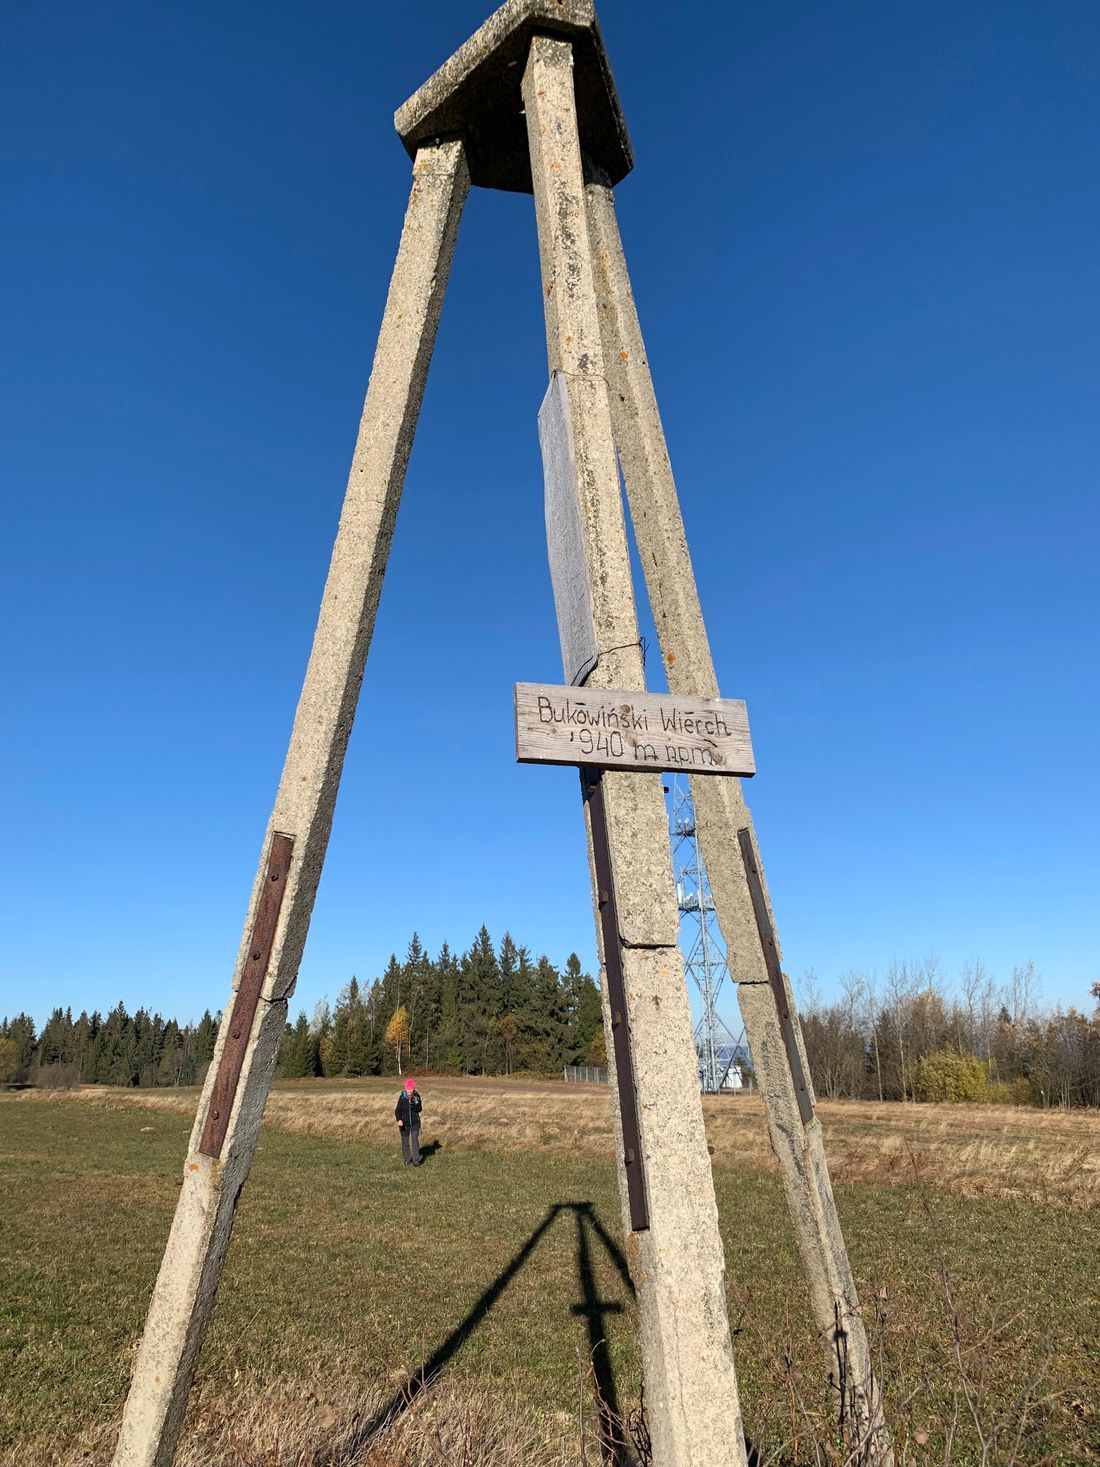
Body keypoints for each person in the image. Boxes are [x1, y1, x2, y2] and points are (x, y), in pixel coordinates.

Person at [395, 1077, 422, 1166]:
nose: (410, 1091)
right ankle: (407, 1159)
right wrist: (399, 1119)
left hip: (415, 1123)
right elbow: (397, 1111)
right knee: (405, 1142)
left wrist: (414, 1106)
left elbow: (419, 1109)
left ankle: (416, 1160)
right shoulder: (402, 1097)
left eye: (411, 1089)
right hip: (404, 1124)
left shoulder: (416, 1096)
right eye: (408, 1089)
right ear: (405, 1088)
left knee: (414, 1140)